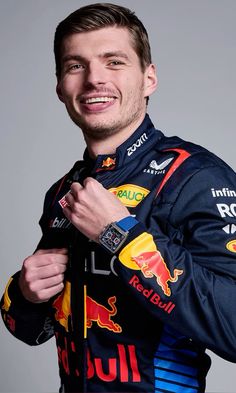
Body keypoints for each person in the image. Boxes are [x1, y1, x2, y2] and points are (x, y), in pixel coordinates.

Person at [1, 3, 236, 393]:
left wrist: (120, 234)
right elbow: (30, 331)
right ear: (60, 86)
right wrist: (25, 294)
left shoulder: (197, 177)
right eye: (76, 65)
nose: (94, 79)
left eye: (114, 62)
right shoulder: (63, 192)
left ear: (149, 78)